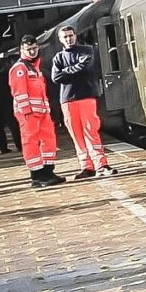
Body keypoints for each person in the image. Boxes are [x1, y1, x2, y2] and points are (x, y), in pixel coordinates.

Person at [48, 23, 111, 180]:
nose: (69, 39)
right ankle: (86, 166)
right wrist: (75, 69)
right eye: (65, 37)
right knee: (76, 134)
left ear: (75, 36)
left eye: (71, 35)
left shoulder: (87, 50)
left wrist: (66, 71)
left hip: (86, 96)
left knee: (91, 131)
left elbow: (85, 66)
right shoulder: (58, 57)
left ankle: (101, 164)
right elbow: (56, 77)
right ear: (60, 40)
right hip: (67, 100)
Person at [6, 38, 61, 188]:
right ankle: (37, 176)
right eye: (28, 49)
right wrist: (26, 112)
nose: (32, 51)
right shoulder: (20, 68)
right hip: (29, 114)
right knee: (30, 142)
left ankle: (48, 171)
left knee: (48, 140)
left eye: (34, 48)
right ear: (21, 50)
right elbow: (19, 92)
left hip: (42, 112)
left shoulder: (34, 67)